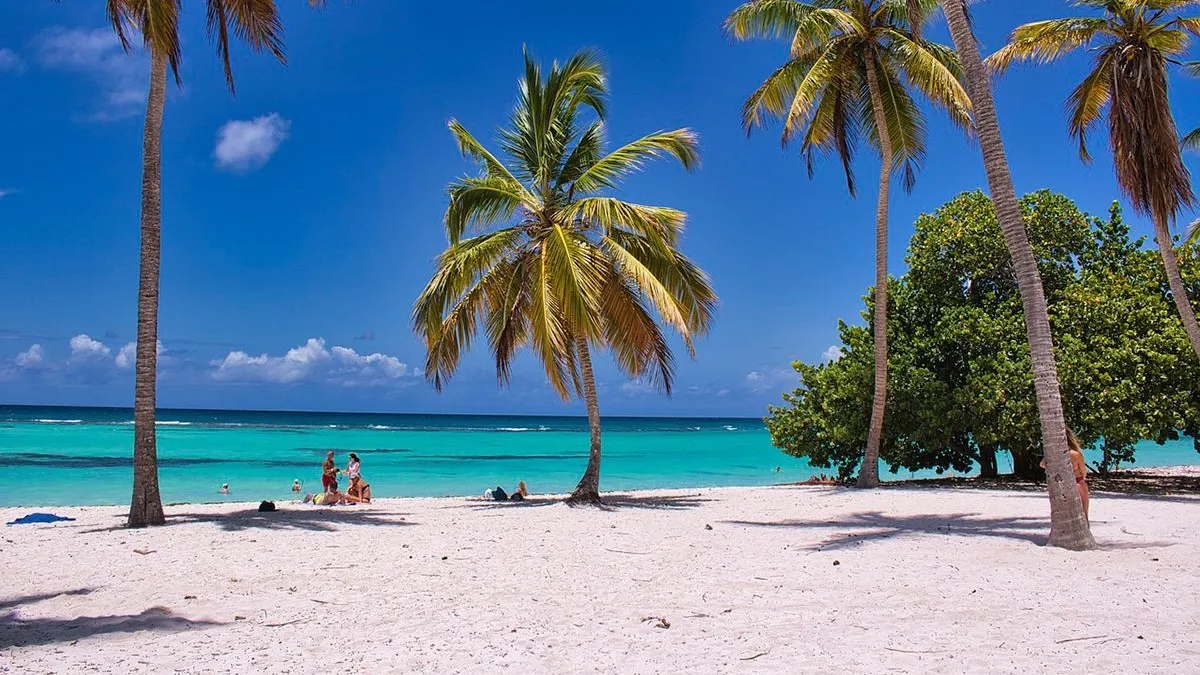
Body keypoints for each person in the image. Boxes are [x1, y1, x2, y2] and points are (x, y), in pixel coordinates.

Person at [1040, 430, 1090, 521]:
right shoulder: (1075, 454)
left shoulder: (1055, 455)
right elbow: (1084, 472)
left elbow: (1042, 464)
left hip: (1062, 485)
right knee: (1084, 512)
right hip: (1078, 483)